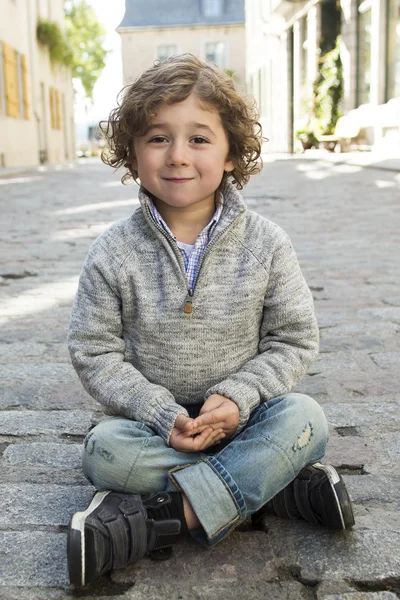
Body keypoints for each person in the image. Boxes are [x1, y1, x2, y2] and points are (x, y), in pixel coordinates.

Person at [67, 54, 354, 588]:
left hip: (248, 419)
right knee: (102, 452)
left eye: (199, 139)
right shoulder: (113, 251)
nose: (177, 156)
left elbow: (293, 339)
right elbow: (93, 350)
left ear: (230, 154)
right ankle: (275, 483)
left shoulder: (267, 243)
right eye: (157, 138)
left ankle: (164, 518)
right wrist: (158, 412)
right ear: (132, 150)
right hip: (156, 430)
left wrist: (241, 395)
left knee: (306, 419)